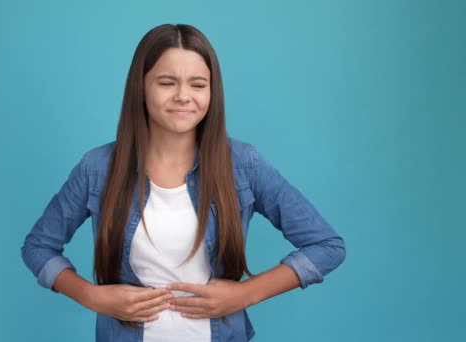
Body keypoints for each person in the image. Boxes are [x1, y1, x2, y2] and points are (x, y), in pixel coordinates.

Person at [21, 23, 346, 342]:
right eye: (166, 82)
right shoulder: (98, 168)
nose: (183, 96)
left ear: (212, 91)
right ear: (141, 86)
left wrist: (246, 294)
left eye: (198, 84)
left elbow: (327, 246)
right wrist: (92, 297)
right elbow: (38, 248)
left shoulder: (244, 164)